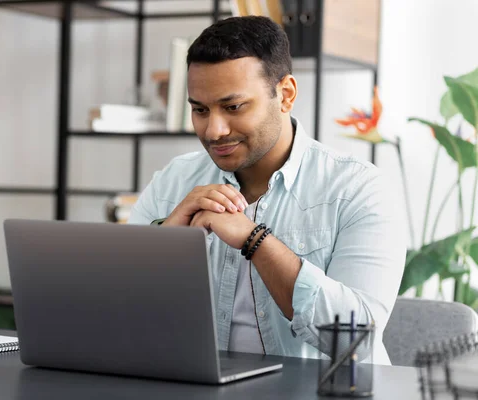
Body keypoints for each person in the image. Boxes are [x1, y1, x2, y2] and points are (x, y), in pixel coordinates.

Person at [128, 16, 405, 365]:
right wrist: (167, 239)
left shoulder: (359, 190)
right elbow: (118, 313)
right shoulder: (172, 182)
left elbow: (355, 339)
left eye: (233, 107)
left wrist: (255, 240)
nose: (213, 130)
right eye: (200, 110)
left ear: (285, 95)